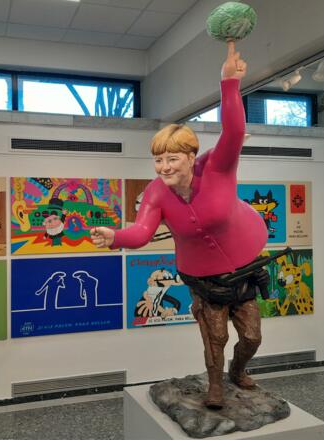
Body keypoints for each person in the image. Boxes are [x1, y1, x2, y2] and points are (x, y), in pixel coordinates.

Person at [90, 42, 269, 409]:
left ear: (190, 157)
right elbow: (141, 233)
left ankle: (238, 370)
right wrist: (115, 236)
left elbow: (234, 131)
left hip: (244, 265)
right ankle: (215, 386)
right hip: (203, 277)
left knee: (252, 337)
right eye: (158, 160)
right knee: (215, 337)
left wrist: (229, 84)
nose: (164, 167)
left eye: (171, 159)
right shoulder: (156, 192)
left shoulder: (217, 167)